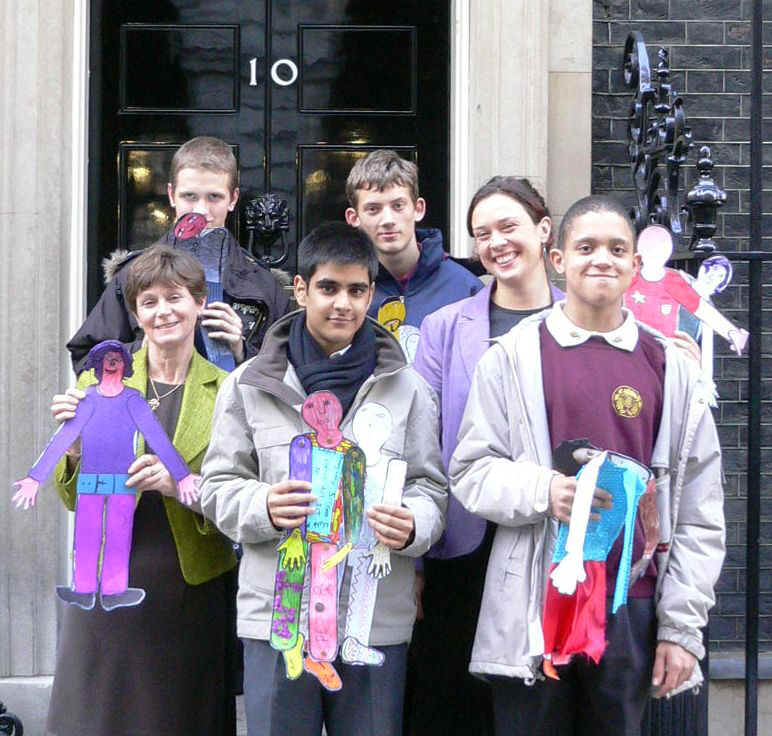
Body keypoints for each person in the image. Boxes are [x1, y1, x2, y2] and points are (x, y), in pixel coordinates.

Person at [449, 195, 725, 736]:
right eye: (586, 247)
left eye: (617, 249)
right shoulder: (510, 357)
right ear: (558, 260)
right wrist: (543, 492)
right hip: (535, 601)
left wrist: (681, 628)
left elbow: (699, 509)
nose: (602, 259)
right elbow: (470, 470)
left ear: (636, 266)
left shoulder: (672, 369)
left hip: (632, 607)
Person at [200, 221, 447, 736]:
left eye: (357, 290)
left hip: (372, 617)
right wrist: (264, 505)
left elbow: (430, 487)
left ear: (372, 294)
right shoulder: (248, 386)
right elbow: (218, 485)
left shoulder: (409, 389)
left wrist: (413, 524)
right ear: (300, 288)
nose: (343, 304)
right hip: (277, 615)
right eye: (328, 288)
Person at [45, 246, 239, 735]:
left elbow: (240, 493)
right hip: (109, 581)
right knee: (95, 715)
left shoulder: (230, 389)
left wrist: (179, 487)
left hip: (189, 585)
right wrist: (71, 452)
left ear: (199, 302)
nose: (163, 311)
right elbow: (71, 496)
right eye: (148, 302)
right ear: (134, 314)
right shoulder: (98, 379)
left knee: (177, 717)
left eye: (175, 297)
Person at [407, 177, 563, 735]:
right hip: (462, 542)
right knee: (455, 704)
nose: (496, 242)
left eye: (508, 227)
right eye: (482, 234)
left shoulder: (582, 323)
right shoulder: (446, 329)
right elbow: (420, 444)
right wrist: (417, 559)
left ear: (544, 230)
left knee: (541, 704)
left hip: (552, 542)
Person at [66, 136, 290, 374]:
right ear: (172, 195)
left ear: (233, 199)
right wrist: (144, 348)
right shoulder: (132, 274)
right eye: (189, 196)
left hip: (231, 409)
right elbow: (86, 361)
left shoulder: (263, 284)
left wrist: (242, 351)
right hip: (154, 407)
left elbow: (287, 373)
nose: (201, 211)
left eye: (214, 197)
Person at [344, 149, 481, 332]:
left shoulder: (466, 289)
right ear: (353, 218)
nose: (388, 220)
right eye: (373, 209)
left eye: (398, 206)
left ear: (418, 209)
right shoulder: (342, 291)